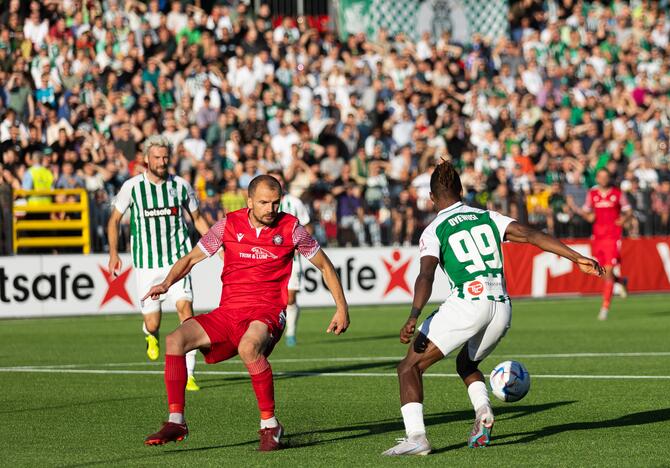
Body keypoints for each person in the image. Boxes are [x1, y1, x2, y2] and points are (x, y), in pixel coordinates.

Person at [382, 161, 603, 456]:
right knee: (467, 365)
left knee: (409, 367)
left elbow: (426, 275)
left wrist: (413, 314)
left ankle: (417, 438)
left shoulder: (434, 230)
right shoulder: (488, 217)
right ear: (461, 191)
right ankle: (483, 412)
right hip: (501, 307)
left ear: (432, 199)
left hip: (468, 303)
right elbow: (532, 234)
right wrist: (577, 258)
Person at [142, 175, 350, 450]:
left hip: (267, 311)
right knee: (174, 340)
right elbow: (192, 258)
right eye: (264, 202)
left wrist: (341, 308)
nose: (271, 209)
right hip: (229, 311)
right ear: (249, 201)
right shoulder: (228, 224)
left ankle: (269, 425)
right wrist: (167, 283)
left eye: (276, 203)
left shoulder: (292, 229)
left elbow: (325, 266)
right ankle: (176, 420)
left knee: (249, 347)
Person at [107, 135, 210, 391]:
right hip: (147, 265)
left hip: (179, 260)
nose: (162, 162)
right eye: (157, 158)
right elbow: (114, 220)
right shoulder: (132, 187)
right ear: (146, 159)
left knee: (186, 312)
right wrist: (113, 253)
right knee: (154, 323)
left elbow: (197, 218)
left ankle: (189, 375)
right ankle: (149, 335)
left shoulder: (182, 186)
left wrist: (214, 245)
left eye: (166, 157)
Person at [571, 169, 631, 320]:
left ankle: (605, 308)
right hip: (598, 237)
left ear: (609, 178)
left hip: (613, 236)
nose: (603, 179)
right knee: (603, 272)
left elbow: (628, 210)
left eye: (606, 177)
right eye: (601, 177)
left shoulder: (617, 194)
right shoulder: (592, 194)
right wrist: (588, 215)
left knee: (608, 272)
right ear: (597, 178)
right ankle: (621, 281)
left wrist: (624, 219)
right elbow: (585, 210)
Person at [270, 171, 312, 347]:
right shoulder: (264, 204)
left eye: (279, 180)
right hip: (269, 258)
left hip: (292, 259)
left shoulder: (294, 203)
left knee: (290, 298)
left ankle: (291, 333)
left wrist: (299, 245)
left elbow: (307, 226)